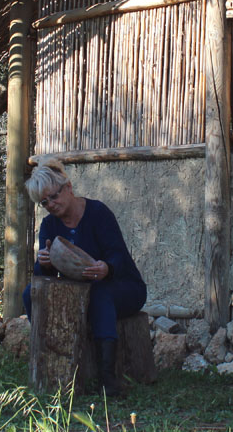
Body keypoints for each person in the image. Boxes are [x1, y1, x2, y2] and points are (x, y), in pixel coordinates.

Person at [22, 160, 146, 396]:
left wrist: (106, 268)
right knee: (30, 293)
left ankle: (107, 380)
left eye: (53, 197)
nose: (50, 205)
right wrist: (44, 263)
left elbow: (118, 255)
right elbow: (42, 277)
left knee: (100, 294)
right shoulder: (49, 224)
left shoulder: (98, 213)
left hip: (123, 287)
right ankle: (47, 360)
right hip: (82, 292)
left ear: (68, 187)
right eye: (44, 202)